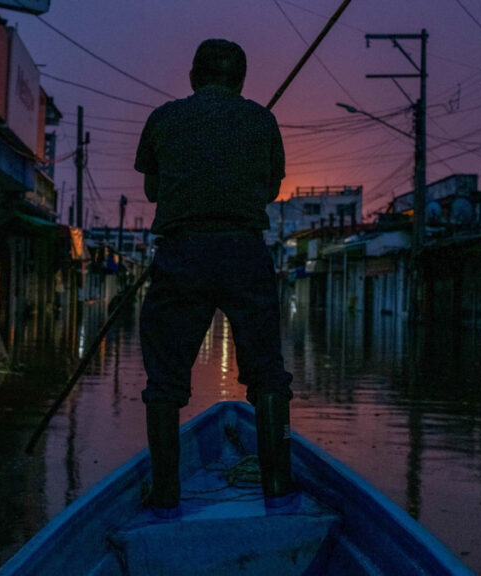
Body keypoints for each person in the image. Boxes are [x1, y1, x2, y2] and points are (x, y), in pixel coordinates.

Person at [134, 39, 296, 517]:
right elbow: (270, 188)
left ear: (192, 77)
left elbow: (152, 189)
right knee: (267, 373)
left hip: (182, 253)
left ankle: (165, 492)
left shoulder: (164, 118)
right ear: (241, 82)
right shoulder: (262, 121)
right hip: (244, 252)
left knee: (164, 379)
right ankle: (277, 485)